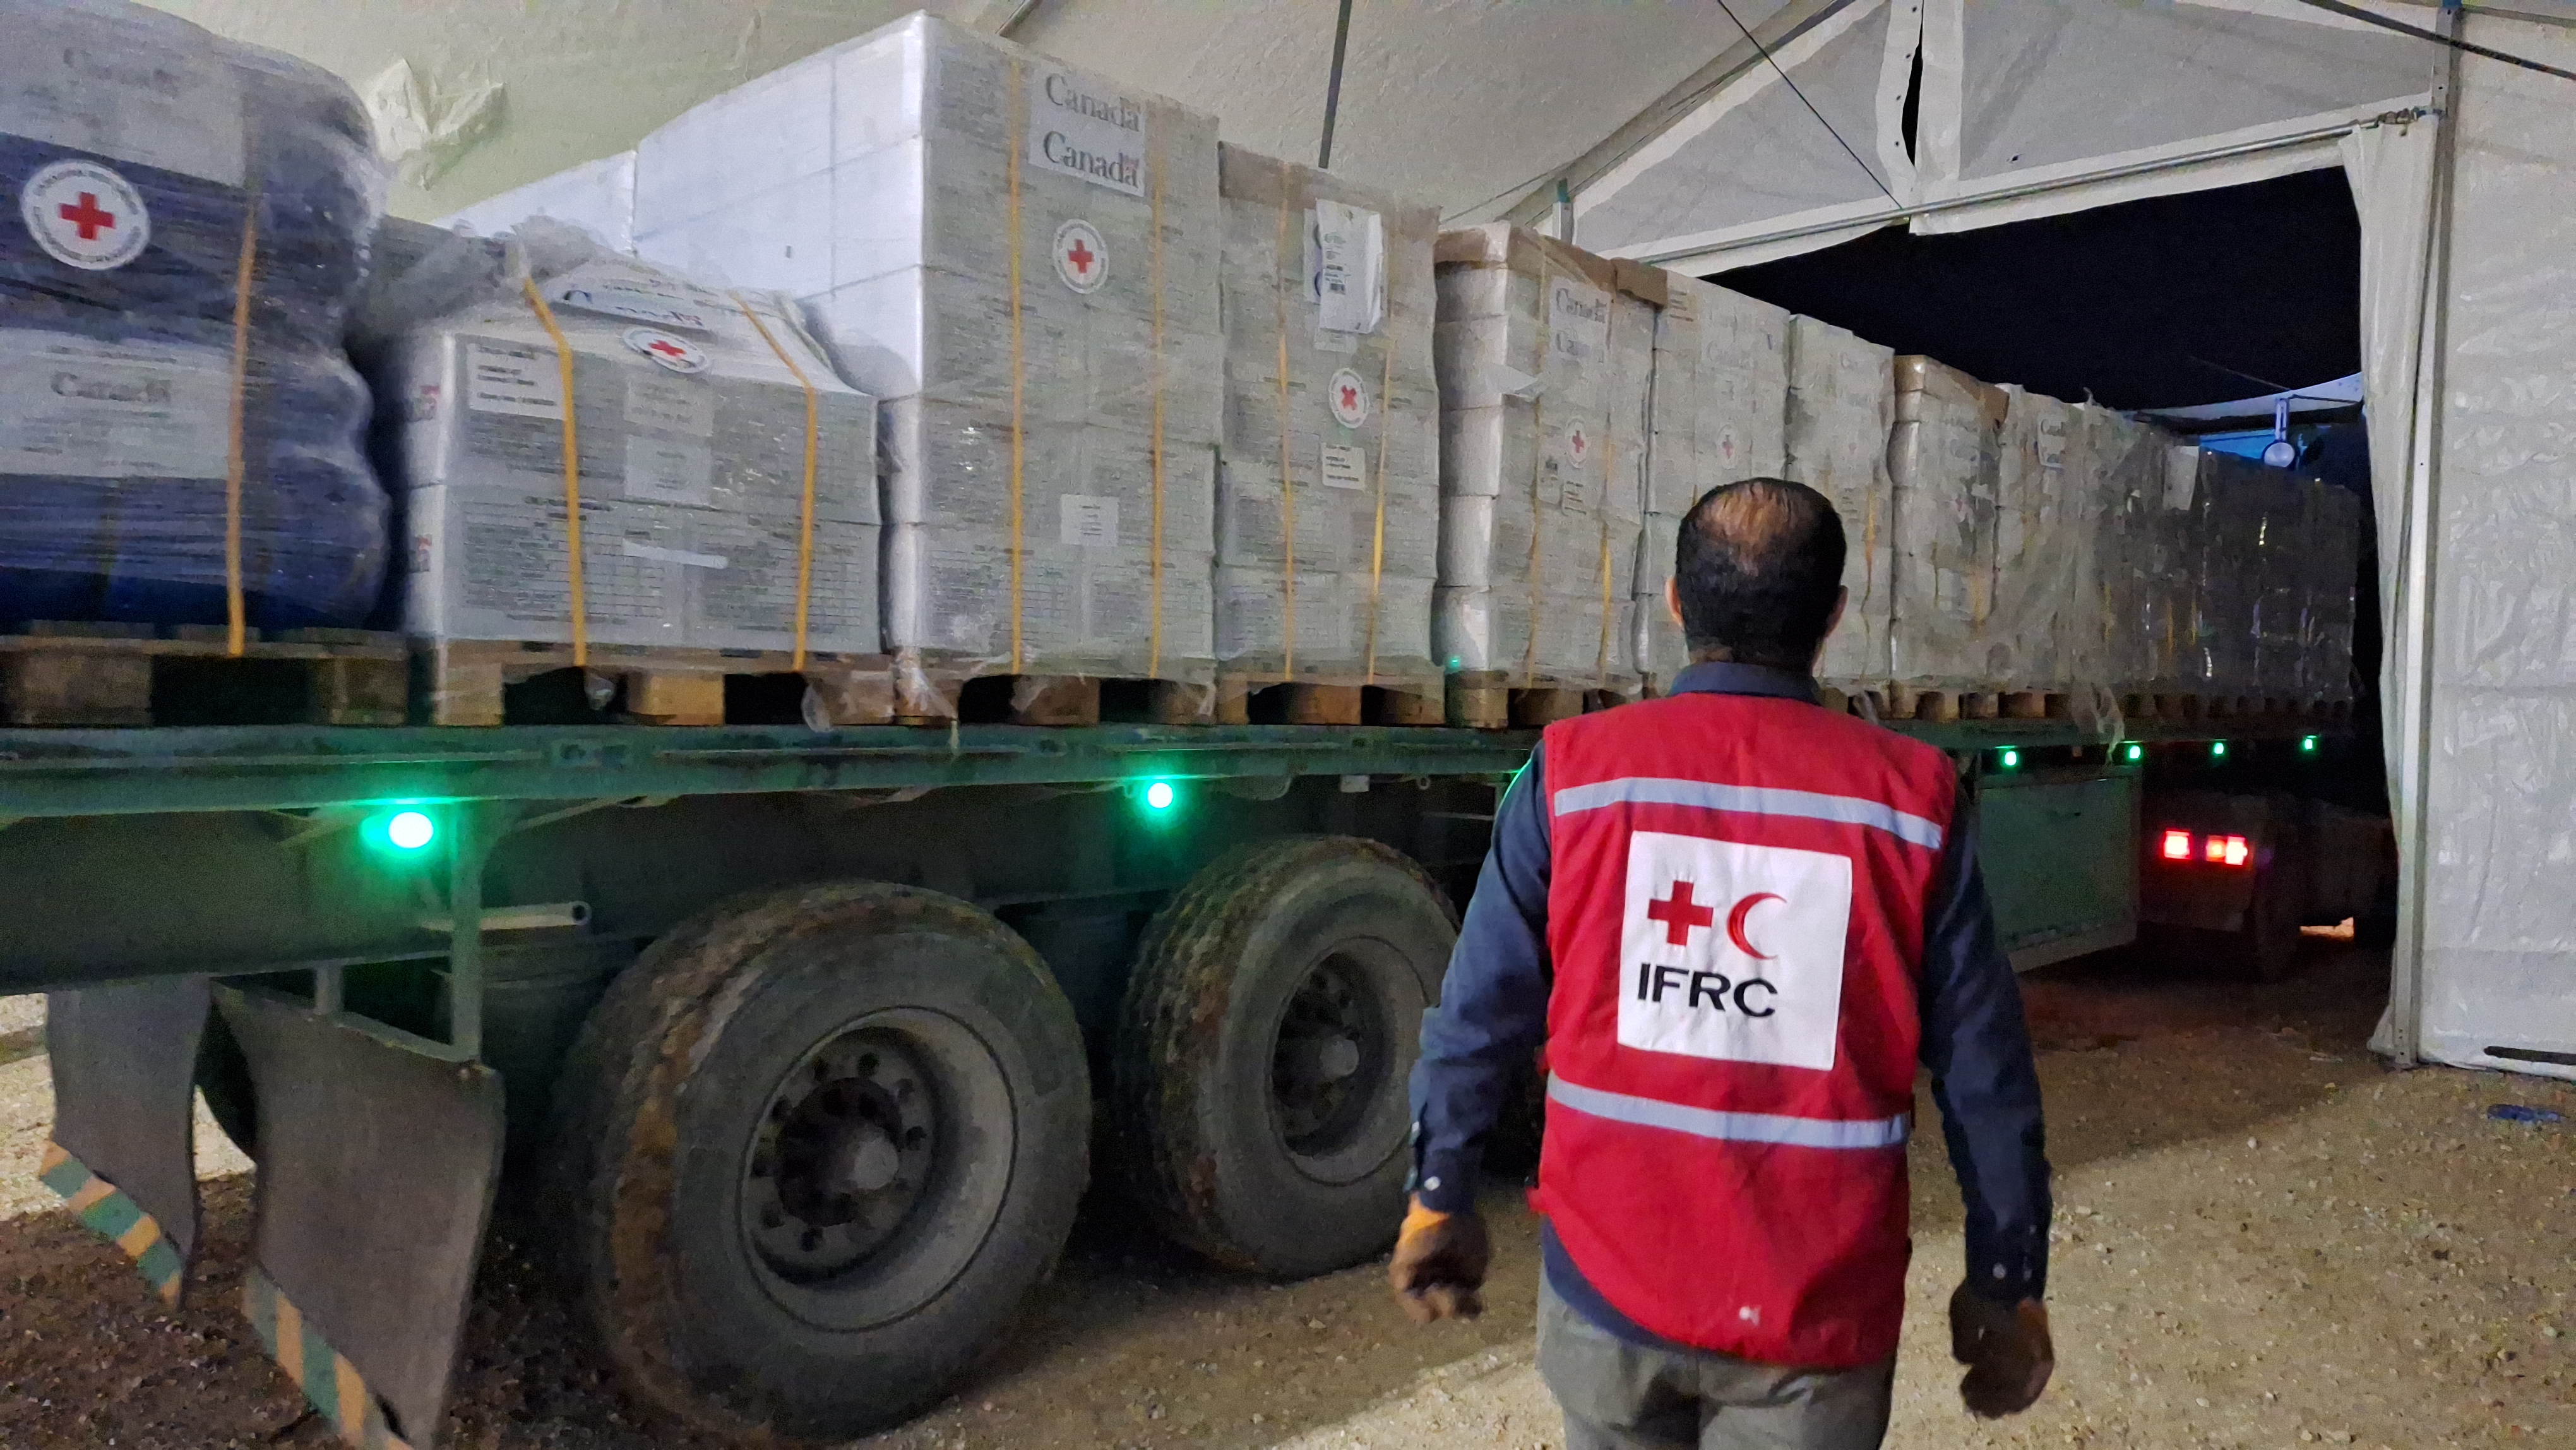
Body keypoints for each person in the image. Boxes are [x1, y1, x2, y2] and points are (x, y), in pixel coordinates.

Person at [1390, 477, 2054, 1449]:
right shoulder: (1909, 801)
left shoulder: (1575, 777)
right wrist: (2006, 1280)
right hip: (1813, 1319)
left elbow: (1480, 1010)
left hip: (1608, 1290)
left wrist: (1438, 1193)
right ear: (1833, 617)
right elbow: (1986, 1072)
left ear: (1672, 601)